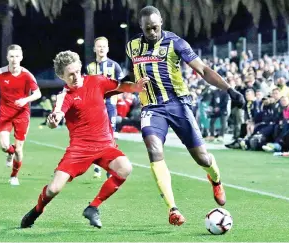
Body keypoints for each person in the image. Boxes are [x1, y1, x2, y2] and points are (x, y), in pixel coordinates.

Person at [125, 6, 245, 226]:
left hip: (178, 105)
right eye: (147, 28)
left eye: (155, 27)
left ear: (161, 21)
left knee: (202, 158)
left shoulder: (176, 43)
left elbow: (203, 70)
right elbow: (133, 74)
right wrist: (123, 87)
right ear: (140, 27)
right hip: (151, 107)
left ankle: (215, 179)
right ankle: (173, 209)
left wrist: (229, 89)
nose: (152, 32)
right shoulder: (132, 46)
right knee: (153, 149)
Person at [20, 50, 148, 229]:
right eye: (70, 75)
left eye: (77, 72)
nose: (75, 77)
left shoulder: (97, 81)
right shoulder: (65, 96)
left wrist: (136, 87)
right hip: (80, 149)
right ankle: (37, 210)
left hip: (105, 146)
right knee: (53, 189)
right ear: (61, 76)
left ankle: (93, 207)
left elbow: (121, 86)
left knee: (125, 168)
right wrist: (53, 121)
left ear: (81, 67)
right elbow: (57, 115)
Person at [0, 44, 41, 186]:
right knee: (4, 146)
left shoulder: (27, 75)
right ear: (7, 57)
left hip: (22, 115)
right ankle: (9, 154)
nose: (14, 59)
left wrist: (25, 100)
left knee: (19, 149)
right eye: (11, 56)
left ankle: (14, 176)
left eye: (17, 56)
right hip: (5, 113)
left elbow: (38, 94)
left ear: (21, 57)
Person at [86, 36, 125, 179]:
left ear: (107, 49)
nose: (101, 49)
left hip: (109, 105)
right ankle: (98, 164)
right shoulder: (89, 67)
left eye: (104, 46)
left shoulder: (114, 66)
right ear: (95, 49)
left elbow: (122, 85)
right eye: (99, 46)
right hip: (95, 107)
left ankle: (110, 167)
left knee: (110, 136)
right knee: (96, 136)